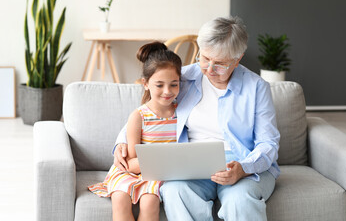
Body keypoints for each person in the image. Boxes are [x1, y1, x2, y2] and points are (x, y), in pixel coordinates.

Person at [114, 16, 280, 221]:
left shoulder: (256, 88)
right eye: (205, 58)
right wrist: (122, 143)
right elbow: (148, 111)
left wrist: (243, 169)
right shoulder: (181, 78)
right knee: (175, 191)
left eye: (219, 64)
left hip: (242, 163)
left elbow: (269, 144)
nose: (209, 70)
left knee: (240, 200)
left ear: (237, 59)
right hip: (192, 164)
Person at [88, 41, 182, 221]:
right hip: (132, 171)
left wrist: (164, 163)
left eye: (174, 84)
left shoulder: (182, 113)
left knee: (149, 202)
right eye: (159, 85)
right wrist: (165, 159)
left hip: (157, 174)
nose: (167, 91)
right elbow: (131, 162)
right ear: (146, 84)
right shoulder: (139, 116)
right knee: (120, 198)